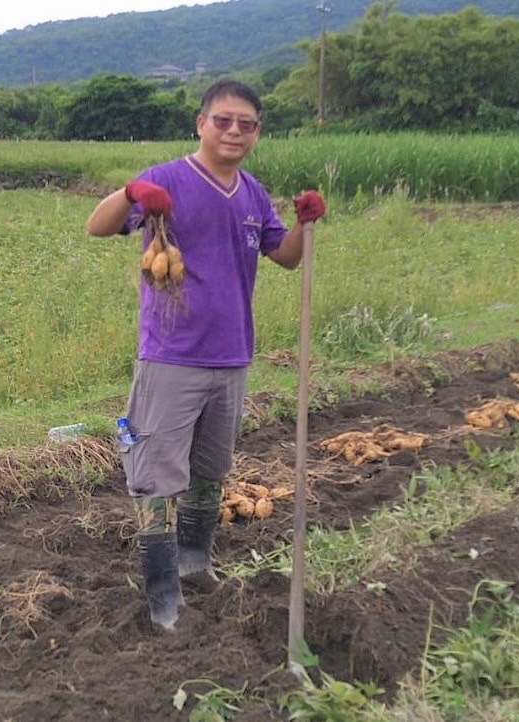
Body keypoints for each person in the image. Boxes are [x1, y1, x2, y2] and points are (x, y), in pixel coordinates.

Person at [85, 78, 326, 631]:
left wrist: (306, 226)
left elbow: (285, 257)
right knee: (154, 474)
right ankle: (162, 596)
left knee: (209, 471)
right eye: (223, 120)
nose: (234, 130)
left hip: (232, 356)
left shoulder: (252, 193)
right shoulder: (165, 179)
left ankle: (195, 562)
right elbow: (97, 227)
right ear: (201, 123)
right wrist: (129, 194)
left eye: (246, 123)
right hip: (171, 355)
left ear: (257, 132)